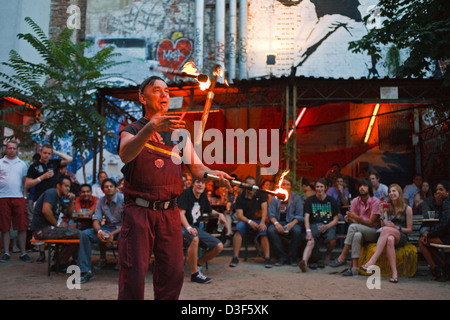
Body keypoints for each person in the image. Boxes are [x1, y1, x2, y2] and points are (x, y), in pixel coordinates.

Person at [117, 76, 231, 300]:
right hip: (139, 212)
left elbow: (197, 169)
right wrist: (150, 128)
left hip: (169, 213)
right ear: (142, 97)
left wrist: (213, 174)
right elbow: (125, 154)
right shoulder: (131, 129)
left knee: (173, 273)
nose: (164, 95)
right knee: (133, 273)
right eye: (157, 90)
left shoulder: (180, 134)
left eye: (167, 91)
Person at [360, 184, 413, 283]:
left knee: (386, 231)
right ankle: (394, 274)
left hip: (401, 235)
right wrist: (382, 213)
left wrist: (396, 227)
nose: (391, 193)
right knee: (390, 239)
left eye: (394, 191)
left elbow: (410, 230)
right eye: (390, 191)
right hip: (389, 234)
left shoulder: (407, 209)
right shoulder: (388, 206)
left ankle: (372, 261)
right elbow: (383, 225)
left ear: (399, 192)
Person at [329, 178, 381, 276]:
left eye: (364, 186)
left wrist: (355, 218)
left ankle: (342, 256)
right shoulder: (355, 201)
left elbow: (370, 223)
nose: (362, 188)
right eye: (360, 186)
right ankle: (354, 269)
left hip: (374, 232)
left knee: (353, 227)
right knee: (357, 235)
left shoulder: (376, 202)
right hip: (360, 229)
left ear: (369, 188)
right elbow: (355, 221)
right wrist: (349, 218)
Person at [178, 178, 226, 283]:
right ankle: (194, 275)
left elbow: (209, 210)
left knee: (218, 246)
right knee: (194, 239)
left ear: (205, 185)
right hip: (182, 227)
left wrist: (219, 214)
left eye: (203, 183)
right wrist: (189, 228)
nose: (200, 185)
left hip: (196, 228)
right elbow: (180, 213)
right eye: (198, 182)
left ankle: (198, 265)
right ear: (193, 184)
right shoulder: (186, 194)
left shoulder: (203, 196)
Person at [77, 178, 123, 284]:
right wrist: (100, 232)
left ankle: (125, 272)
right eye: (106, 187)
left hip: (121, 229)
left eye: (111, 186)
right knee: (85, 234)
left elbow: (128, 223)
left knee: (125, 237)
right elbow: (96, 220)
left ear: (116, 188)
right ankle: (85, 271)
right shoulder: (101, 201)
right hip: (107, 228)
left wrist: (112, 234)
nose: (109, 189)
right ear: (102, 190)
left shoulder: (123, 199)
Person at [30, 176, 78, 265]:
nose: (68, 189)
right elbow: (46, 210)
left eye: (69, 187)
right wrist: (58, 224)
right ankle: (61, 263)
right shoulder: (52, 193)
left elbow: (69, 214)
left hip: (50, 229)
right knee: (78, 234)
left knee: (78, 235)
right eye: (66, 186)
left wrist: (72, 201)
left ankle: (61, 261)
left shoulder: (59, 198)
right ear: (58, 186)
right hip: (41, 230)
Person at [0, 140, 33, 263]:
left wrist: (24, 195)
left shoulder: (22, 164)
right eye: (10, 148)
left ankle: (23, 252)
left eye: (14, 148)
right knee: (4, 226)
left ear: (17, 150)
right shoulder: (0, 163)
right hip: (3, 197)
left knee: (22, 225)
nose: (12, 150)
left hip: (18, 196)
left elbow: (25, 181)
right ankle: (6, 252)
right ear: (6, 149)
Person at [229, 176, 272, 268]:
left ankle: (267, 258)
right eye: (249, 185)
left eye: (253, 185)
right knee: (238, 230)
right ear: (245, 186)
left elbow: (265, 210)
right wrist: (249, 222)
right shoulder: (240, 197)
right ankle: (235, 257)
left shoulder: (260, 194)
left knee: (263, 232)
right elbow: (240, 215)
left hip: (259, 220)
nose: (252, 187)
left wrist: (262, 222)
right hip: (245, 220)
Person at [299, 178, 339, 271]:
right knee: (310, 240)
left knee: (332, 241)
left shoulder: (331, 200)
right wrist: (308, 231)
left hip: (328, 225)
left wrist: (327, 226)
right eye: (317, 187)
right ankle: (304, 262)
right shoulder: (309, 200)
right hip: (314, 224)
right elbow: (306, 217)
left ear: (325, 188)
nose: (319, 189)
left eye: (321, 187)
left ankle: (327, 255)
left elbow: (336, 219)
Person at [267, 176, 304, 266]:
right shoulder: (275, 197)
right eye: (284, 184)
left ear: (291, 186)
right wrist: (276, 224)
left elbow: (299, 215)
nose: (285, 186)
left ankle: (292, 258)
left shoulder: (296, 198)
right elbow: (271, 214)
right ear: (280, 185)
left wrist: (291, 224)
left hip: (292, 222)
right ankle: (282, 257)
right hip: (278, 221)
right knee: (271, 231)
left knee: (297, 231)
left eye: (288, 184)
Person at [418, 180, 450, 281]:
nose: (438, 192)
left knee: (422, 241)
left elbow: (444, 224)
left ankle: (436, 270)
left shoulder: (447, 203)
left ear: (448, 192)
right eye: (437, 190)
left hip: (447, 236)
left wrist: (429, 233)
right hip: (445, 233)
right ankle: (445, 267)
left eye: (441, 190)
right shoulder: (443, 201)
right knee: (426, 240)